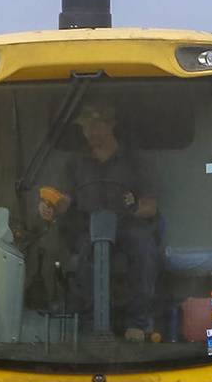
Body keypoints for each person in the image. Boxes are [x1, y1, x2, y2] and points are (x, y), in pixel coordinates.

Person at [37, 100, 163, 341]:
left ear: (111, 125)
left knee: (145, 249)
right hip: (86, 226)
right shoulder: (75, 163)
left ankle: (137, 324)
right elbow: (62, 198)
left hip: (128, 224)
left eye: (96, 126)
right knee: (84, 256)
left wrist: (135, 208)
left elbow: (151, 206)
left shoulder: (133, 161)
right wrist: (49, 205)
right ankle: (90, 326)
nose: (90, 132)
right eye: (86, 127)